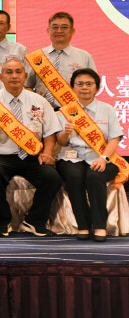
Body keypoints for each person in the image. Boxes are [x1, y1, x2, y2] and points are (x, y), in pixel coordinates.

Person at [0, 58, 63, 237]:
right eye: (9, 72)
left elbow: (50, 133)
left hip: (32, 156)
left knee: (52, 177)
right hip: (1, 155)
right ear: (1, 77)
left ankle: (34, 221)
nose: (14, 76)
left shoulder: (39, 101)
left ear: (25, 76)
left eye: (18, 72)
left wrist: (47, 152)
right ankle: (2, 221)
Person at [55, 68, 123, 241]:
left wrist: (104, 158)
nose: (84, 87)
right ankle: (83, 226)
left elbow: (114, 138)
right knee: (74, 176)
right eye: (79, 83)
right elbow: (60, 142)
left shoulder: (107, 109)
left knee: (95, 176)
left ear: (97, 87)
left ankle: (100, 226)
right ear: (73, 87)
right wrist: (66, 133)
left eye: (89, 84)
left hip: (102, 156)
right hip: (71, 156)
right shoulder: (65, 111)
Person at [26, 12, 97, 110]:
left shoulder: (85, 57)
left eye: (64, 27)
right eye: (55, 27)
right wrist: (35, 100)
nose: (59, 31)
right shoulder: (37, 57)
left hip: (74, 111)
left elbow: (93, 86)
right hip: (41, 111)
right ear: (48, 30)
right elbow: (27, 85)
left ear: (72, 31)